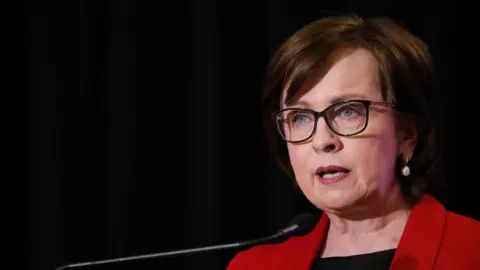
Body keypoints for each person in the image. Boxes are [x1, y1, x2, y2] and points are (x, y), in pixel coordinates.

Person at [227, 14, 480, 270]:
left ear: (406, 133)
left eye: (348, 111)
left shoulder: (471, 250)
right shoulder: (253, 266)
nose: (322, 141)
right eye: (301, 117)